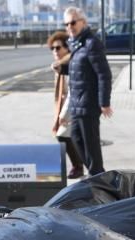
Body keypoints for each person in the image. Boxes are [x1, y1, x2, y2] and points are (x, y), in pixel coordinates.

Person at [63, 6, 113, 175]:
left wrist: (104, 102)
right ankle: (97, 174)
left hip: (89, 103)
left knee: (91, 147)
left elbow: (104, 74)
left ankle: (98, 179)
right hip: (77, 103)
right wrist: (61, 69)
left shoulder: (91, 43)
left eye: (72, 22)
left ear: (83, 22)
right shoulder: (76, 43)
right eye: (66, 24)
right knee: (76, 139)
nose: (69, 27)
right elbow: (79, 69)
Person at [47, 31, 85, 179]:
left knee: (63, 135)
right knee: (70, 136)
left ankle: (78, 166)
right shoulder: (59, 65)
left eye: (58, 48)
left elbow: (72, 91)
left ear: (67, 48)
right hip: (68, 106)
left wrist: (64, 113)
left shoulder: (69, 64)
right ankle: (81, 165)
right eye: (52, 48)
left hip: (75, 106)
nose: (55, 51)